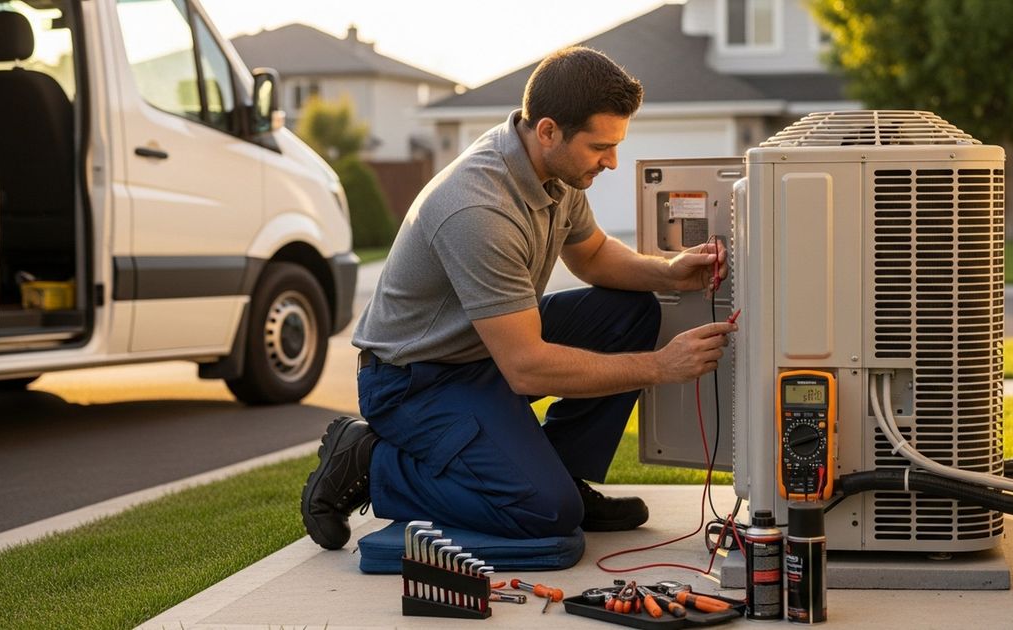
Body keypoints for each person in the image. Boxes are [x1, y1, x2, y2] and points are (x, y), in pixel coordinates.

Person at [301, 46, 735, 550]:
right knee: (544, 512)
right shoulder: (477, 207)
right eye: (601, 147)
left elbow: (592, 256)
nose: (612, 162)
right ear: (548, 130)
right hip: (415, 380)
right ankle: (372, 461)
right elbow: (527, 368)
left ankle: (561, 472)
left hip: (485, 351)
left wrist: (669, 273)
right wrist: (660, 366)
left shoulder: (554, 169)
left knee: (629, 311)